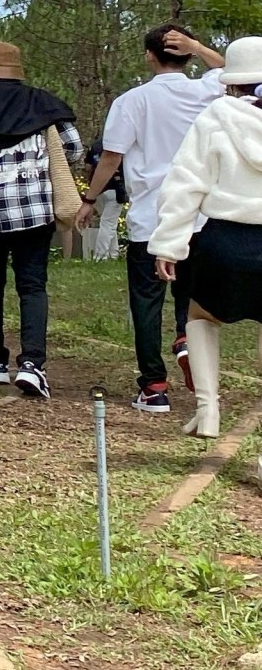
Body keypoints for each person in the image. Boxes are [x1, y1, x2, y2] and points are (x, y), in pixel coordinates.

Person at [76, 26, 226, 414]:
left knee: (146, 301)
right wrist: (199, 47)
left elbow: (112, 157)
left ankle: (154, 387)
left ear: (148, 56)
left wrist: (89, 198)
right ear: (188, 56)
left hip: (150, 217)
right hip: (199, 217)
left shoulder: (132, 101)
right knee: (190, 299)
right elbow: (234, 71)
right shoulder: (206, 91)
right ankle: (185, 341)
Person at [0, 41, 84, 399]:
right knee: (32, 286)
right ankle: (33, 365)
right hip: (35, 210)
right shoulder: (44, 104)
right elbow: (74, 149)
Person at [149, 35, 262, 443]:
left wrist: (169, 244)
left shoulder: (217, 116)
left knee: (200, 317)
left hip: (225, 241)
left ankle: (208, 408)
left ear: (231, 79)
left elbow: (185, 184)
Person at [82, 139, 125, 261]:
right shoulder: (118, 145)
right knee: (108, 224)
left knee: (108, 223)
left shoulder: (96, 145)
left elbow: (88, 167)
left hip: (98, 190)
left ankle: (113, 253)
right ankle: (100, 256)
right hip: (115, 188)